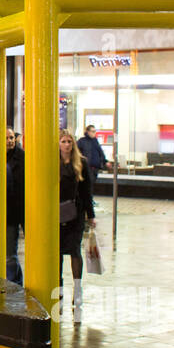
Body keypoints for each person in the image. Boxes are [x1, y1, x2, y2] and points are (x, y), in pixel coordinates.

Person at [59, 129, 96, 320]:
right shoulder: (52, 163)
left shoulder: (81, 163)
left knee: (74, 251)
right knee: (56, 254)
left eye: (69, 142)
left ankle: (77, 288)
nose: (67, 145)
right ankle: (58, 290)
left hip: (75, 214)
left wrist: (91, 215)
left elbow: (87, 191)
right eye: (63, 141)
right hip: (56, 215)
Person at [4, 128, 27, 284]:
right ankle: (15, 282)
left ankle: (16, 282)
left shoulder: (23, 157)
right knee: (10, 253)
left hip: (22, 209)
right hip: (8, 212)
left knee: (11, 253)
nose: (10, 140)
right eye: (6, 138)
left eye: (11, 137)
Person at [77, 125, 107, 190]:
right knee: (88, 185)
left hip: (95, 168)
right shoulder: (82, 141)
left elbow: (100, 152)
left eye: (95, 131)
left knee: (91, 185)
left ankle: (90, 198)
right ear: (88, 132)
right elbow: (77, 152)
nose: (94, 133)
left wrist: (105, 161)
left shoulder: (95, 141)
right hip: (87, 167)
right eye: (93, 131)